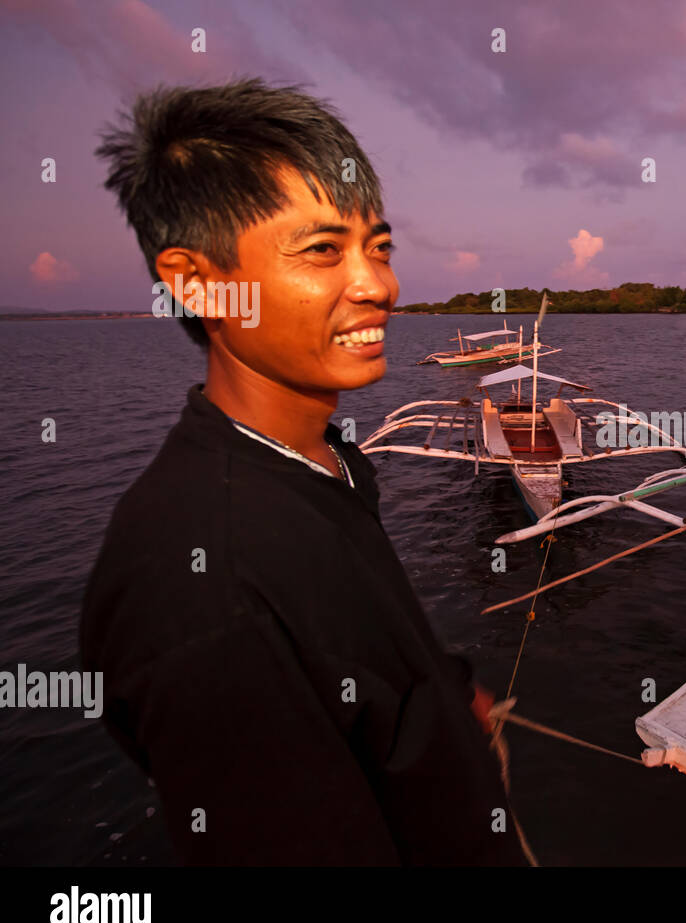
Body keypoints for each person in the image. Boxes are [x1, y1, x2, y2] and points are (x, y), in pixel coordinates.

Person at [81, 78, 525, 865]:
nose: (379, 285)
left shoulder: (326, 460)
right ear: (196, 282)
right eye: (323, 251)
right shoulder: (203, 590)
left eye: (379, 247)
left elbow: (361, 648)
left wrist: (447, 698)